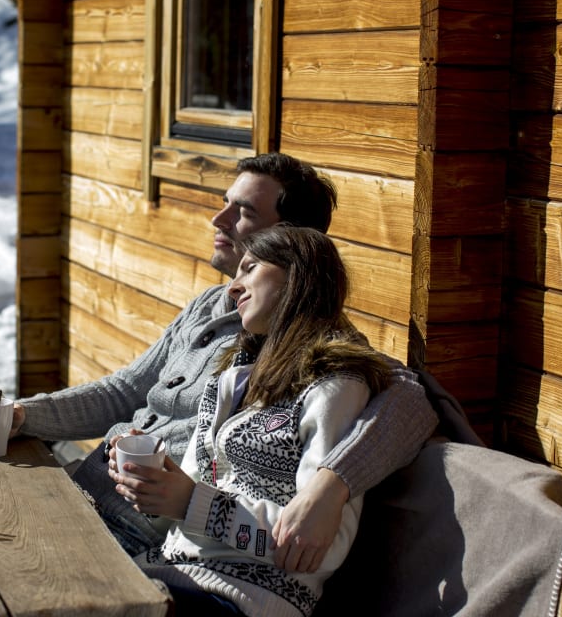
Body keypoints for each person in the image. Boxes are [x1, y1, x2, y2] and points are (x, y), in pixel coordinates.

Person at [0, 153, 439, 567]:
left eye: (244, 212)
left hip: (145, 529)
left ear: (290, 239)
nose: (219, 219)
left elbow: (412, 400)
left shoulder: (311, 343)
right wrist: (25, 415)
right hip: (91, 485)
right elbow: (124, 390)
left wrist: (331, 485)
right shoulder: (210, 305)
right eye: (225, 202)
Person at [113, 224, 400, 616]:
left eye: (249, 268)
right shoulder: (230, 382)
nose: (233, 288)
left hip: (244, 598)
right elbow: (190, 505)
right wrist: (154, 486)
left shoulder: (335, 385)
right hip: (168, 572)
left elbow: (324, 546)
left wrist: (193, 502)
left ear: (296, 276)